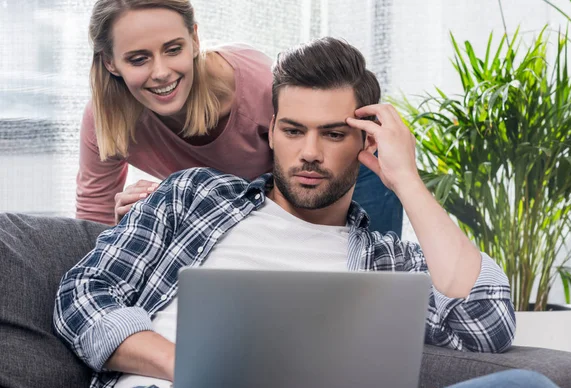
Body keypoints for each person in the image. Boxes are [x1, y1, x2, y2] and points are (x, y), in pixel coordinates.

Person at [54, 37, 570, 388]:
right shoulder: (193, 195)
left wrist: (408, 182)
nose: (309, 152)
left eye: (333, 133)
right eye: (294, 130)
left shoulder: (391, 262)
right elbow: (81, 294)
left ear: (367, 141)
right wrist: (187, 365)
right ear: (272, 129)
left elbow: (486, 324)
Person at [77, 0, 403, 235]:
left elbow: (315, 154)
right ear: (110, 62)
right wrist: (129, 228)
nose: (161, 73)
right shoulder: (106, 119)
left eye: (173, 49)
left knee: (366, 281)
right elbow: (94, 214)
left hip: (337, 175)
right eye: (138, 59)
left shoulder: (259, 85)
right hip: (253, 203)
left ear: (194, 39)